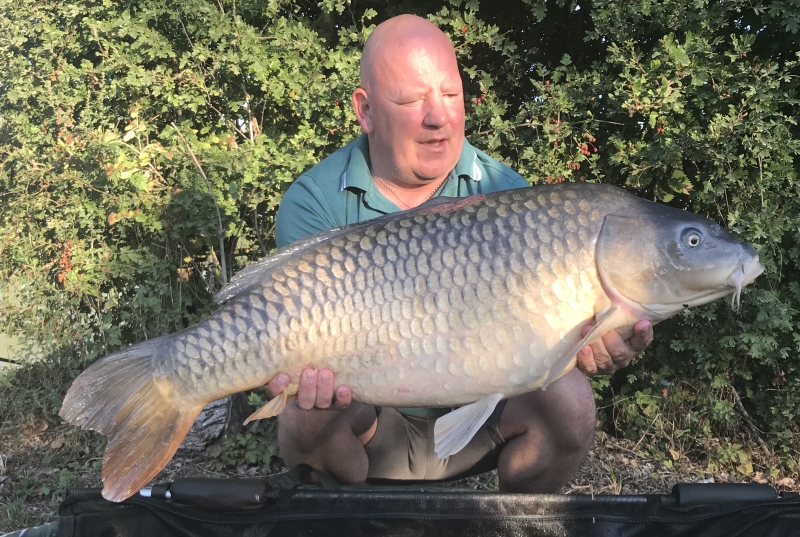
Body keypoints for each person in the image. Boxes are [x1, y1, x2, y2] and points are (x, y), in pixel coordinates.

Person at [265, 14, 653, 493]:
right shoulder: (316, 202)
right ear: (365, 111)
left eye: (451, 95)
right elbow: (287, 339)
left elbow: (554, 339)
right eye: (411, 99)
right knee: (305, 414)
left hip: (483, 417)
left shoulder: (506, 196)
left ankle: (517, 524)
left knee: (571, 399)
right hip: (370, 424)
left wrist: (592, 344)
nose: (439, 117)